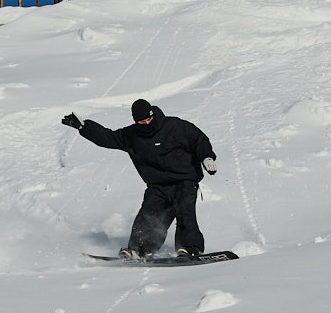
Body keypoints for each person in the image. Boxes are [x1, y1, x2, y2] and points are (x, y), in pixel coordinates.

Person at [62, 98, 217, 260]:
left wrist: (207, 157)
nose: (147, 123)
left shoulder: (175, 127)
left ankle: (190, 248)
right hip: (158, 185)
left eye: (149, 119)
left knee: (185, 210)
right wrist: (84, 127)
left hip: (185, 180)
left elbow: (199, 139)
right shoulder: (132, 135)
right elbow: (107, 137)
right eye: (142, 121)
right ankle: (140, 249)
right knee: (149, 214)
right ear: (136, 121)